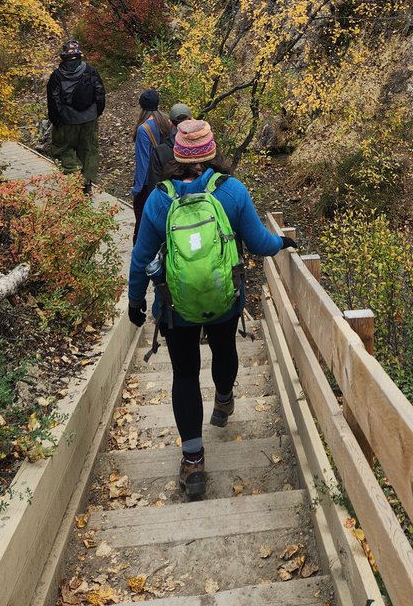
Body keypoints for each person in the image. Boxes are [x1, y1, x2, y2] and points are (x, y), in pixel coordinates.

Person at [127, 119, 296, 500]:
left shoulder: (160, 198)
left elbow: (140, 260)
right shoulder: (231, 191)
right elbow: (258, 243)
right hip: (224, 299)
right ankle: (223, 398)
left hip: (176, 306)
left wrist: (135, 303)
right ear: (212, 151)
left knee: (184, 373)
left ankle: (193, 461)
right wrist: (283, 243)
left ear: (177, 154)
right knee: (225, 349)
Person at [46, 39, 106, 191]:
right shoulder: (90, 70)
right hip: (89, 119)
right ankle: (86, 183)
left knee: (61, 149)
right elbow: (100, 93)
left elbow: (54, 101)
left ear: (63, 57)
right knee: (89, 150)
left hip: (66, 120)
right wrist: (96, 113)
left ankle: (74, 175)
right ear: (79, 55)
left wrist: (56, 120)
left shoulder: (56, 76)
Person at [131, 89, 173, 240]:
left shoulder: (143, 129)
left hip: (148, 183)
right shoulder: (166, 122)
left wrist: (137, 188)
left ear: (141, 106)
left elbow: (143, 162)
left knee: (142, 224)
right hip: (166, 177)